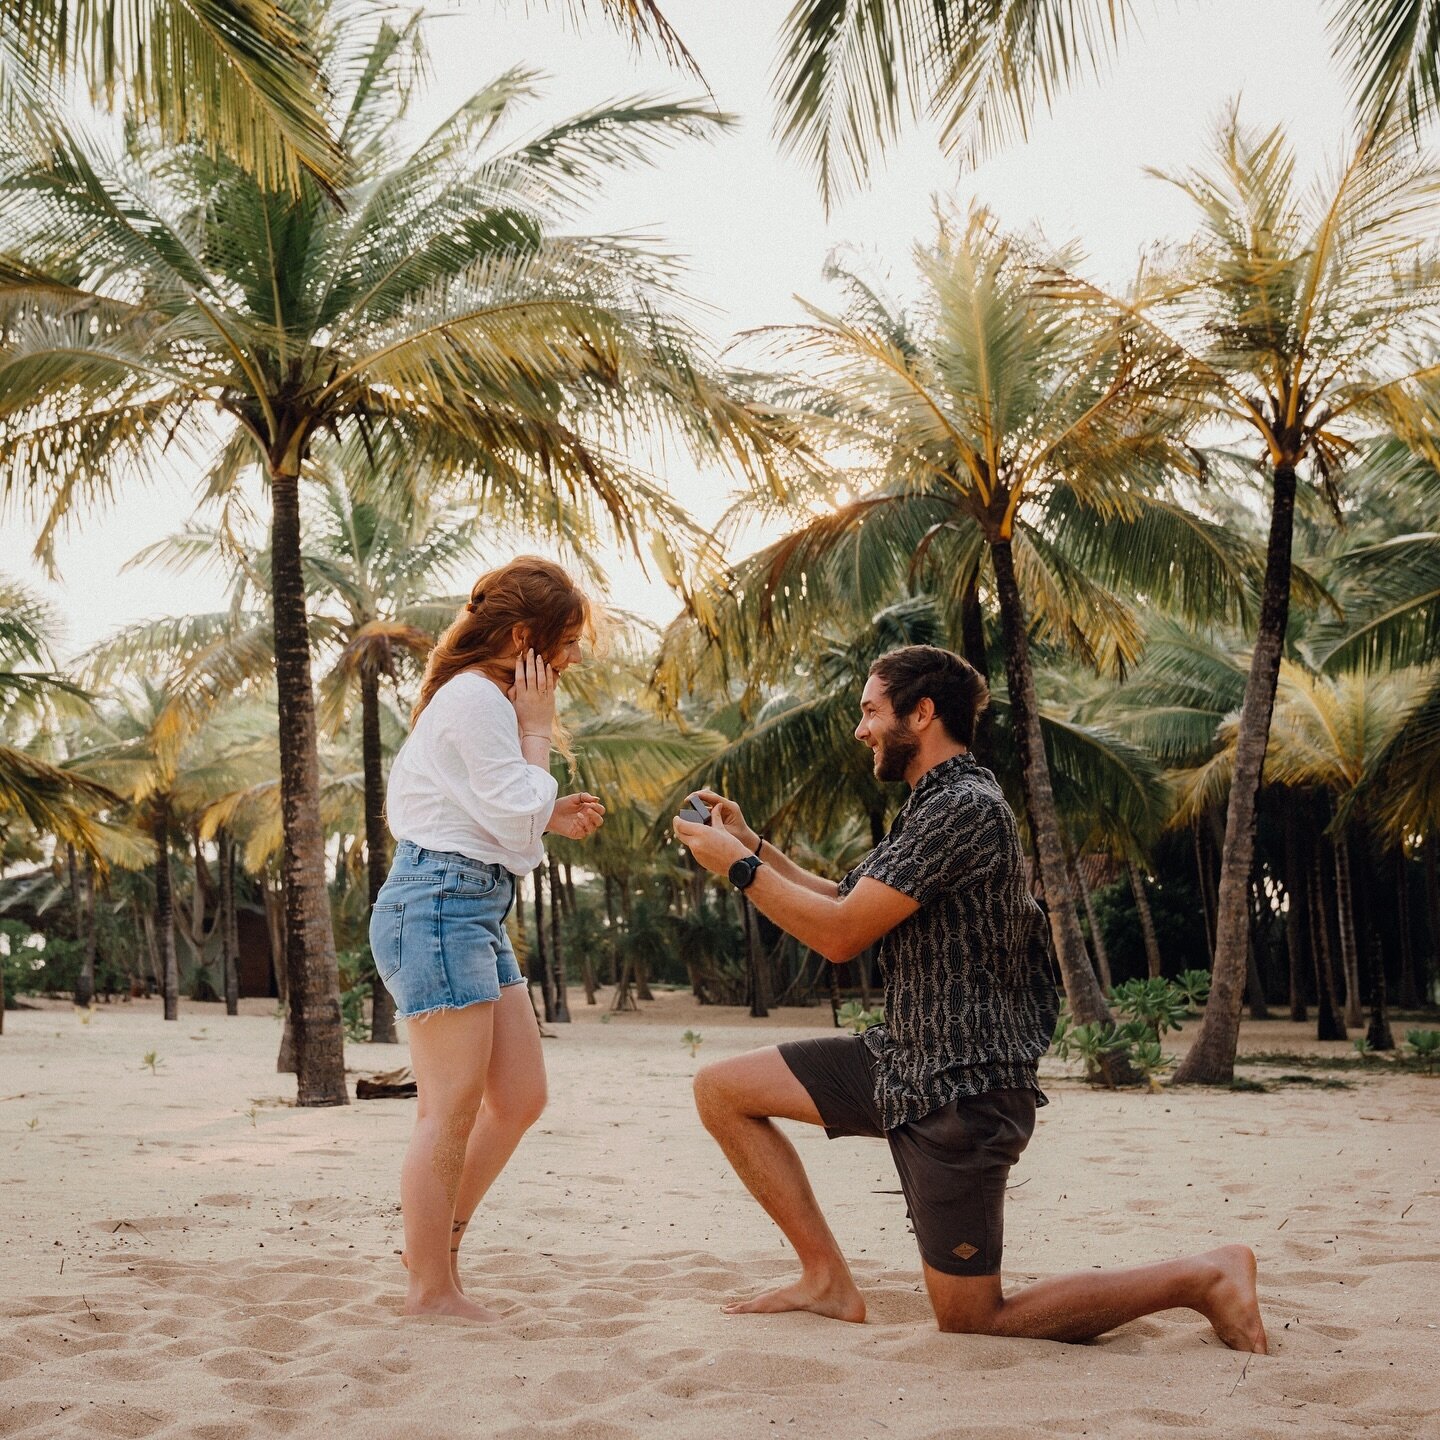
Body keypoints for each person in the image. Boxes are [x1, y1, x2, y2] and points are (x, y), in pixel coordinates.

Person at [674, 644, 1267, 1352]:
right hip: (901, 1062)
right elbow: (841, 897)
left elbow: (839, 936)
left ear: (919, 714)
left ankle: (1204, 1276)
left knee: (974, 1320)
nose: (861, 729)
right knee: (722, 1090)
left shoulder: (964, 808)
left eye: (870, 711)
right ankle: (826, 1279)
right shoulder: (935, 803)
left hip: (961, 1093)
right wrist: (753, 844)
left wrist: (737, 869)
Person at [372, 555, 606, 1321]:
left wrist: (548, 810)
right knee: (447, 1109)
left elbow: (504, 821)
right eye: (565, 642)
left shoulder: (477, 700)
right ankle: (429, 1287)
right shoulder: (475, 698)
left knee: (520, 1096)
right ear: (521, 637)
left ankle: (432, 1247)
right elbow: (509, 810)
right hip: (438, 902)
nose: (570, 659)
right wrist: (536, 736)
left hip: (468, 904)